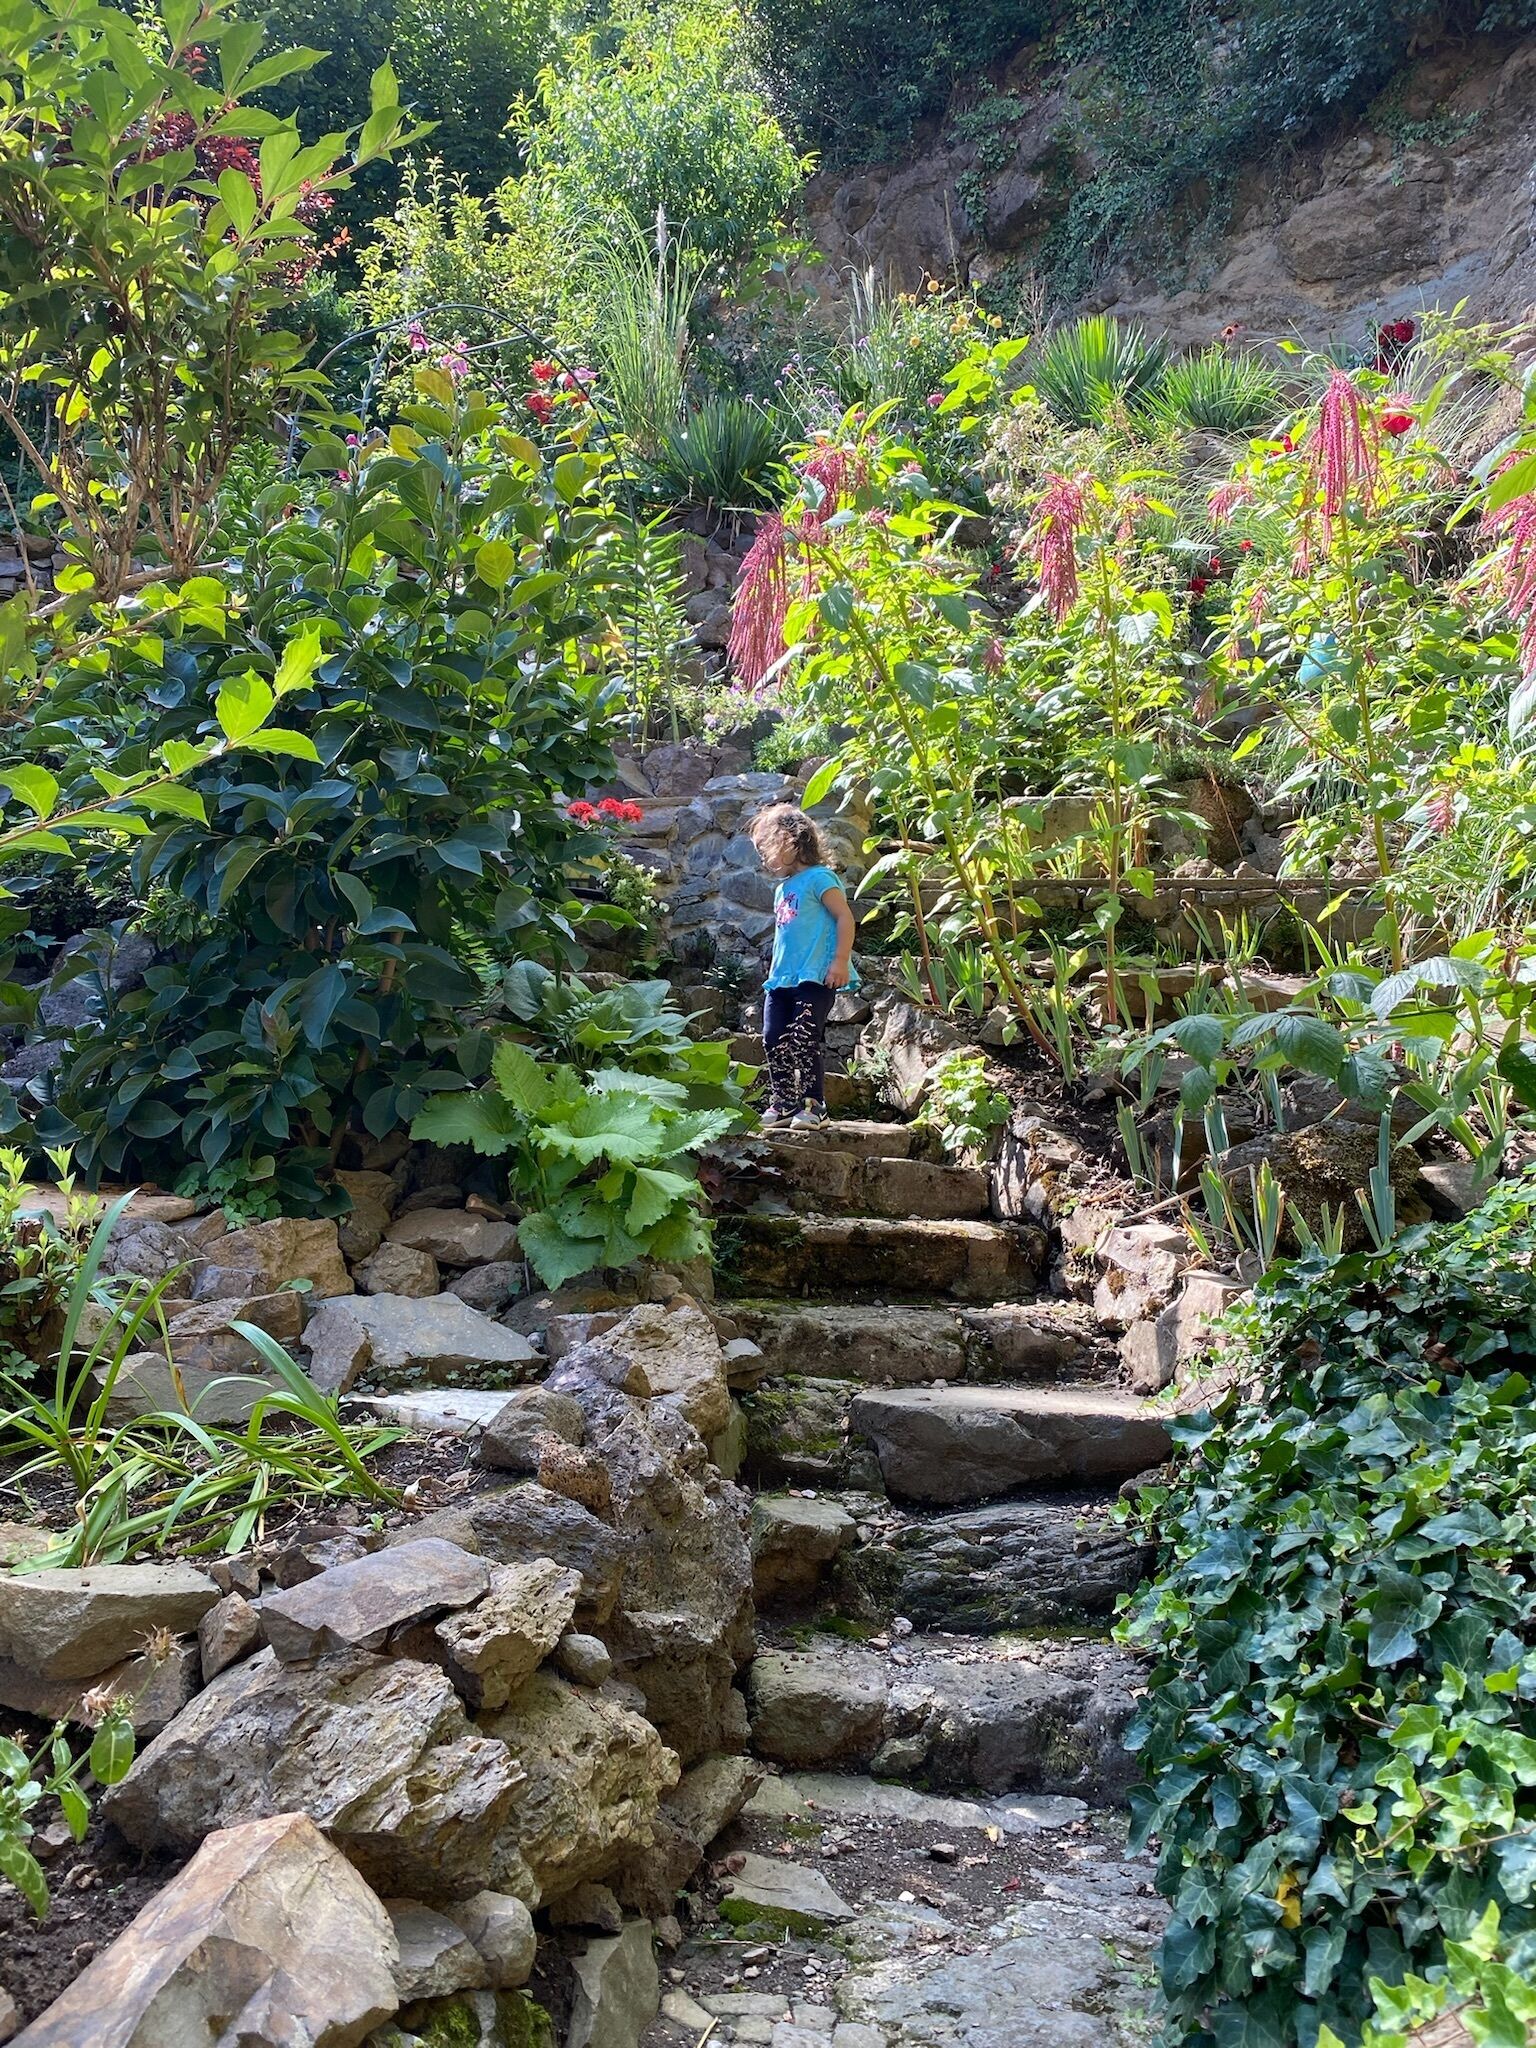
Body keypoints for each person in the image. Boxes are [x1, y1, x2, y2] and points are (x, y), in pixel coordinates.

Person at [747, 803, 858, 1129]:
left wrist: (839, 962)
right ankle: (783, 1102)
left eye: (766, 848)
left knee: (804, 1037)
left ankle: (814, 1105)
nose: (763, 858)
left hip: (815, 976)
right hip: (781, 980)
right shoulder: (782, 889)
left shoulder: (820, 878)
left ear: (791, 840)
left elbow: (844, 917)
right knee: (773, 1037)